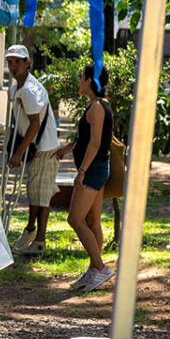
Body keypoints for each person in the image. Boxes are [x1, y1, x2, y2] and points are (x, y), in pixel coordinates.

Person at [54, 65, 115, 291]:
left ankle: (100, 268)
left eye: (82, 78)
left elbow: (96, 142)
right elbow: (87, 137)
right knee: (92, 221)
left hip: (94, 171)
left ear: (90, 81)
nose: (79, 81)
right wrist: (69, 148)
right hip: (97, 168)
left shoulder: (98, 107)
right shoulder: (99, 105)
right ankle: (94, 270)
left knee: (75, 219)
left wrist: (82, 171)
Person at [6, 44, 60, 256]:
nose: (13, 66)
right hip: (37, 147)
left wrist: (19, 152)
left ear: (27, 63)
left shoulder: (28, 90)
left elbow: (35, 124)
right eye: (10, 62)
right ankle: (31, 232)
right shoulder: (17, 87)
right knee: (34, 193)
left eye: (17, 62)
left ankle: (38, 239)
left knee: (41, 196)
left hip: (44, 148)